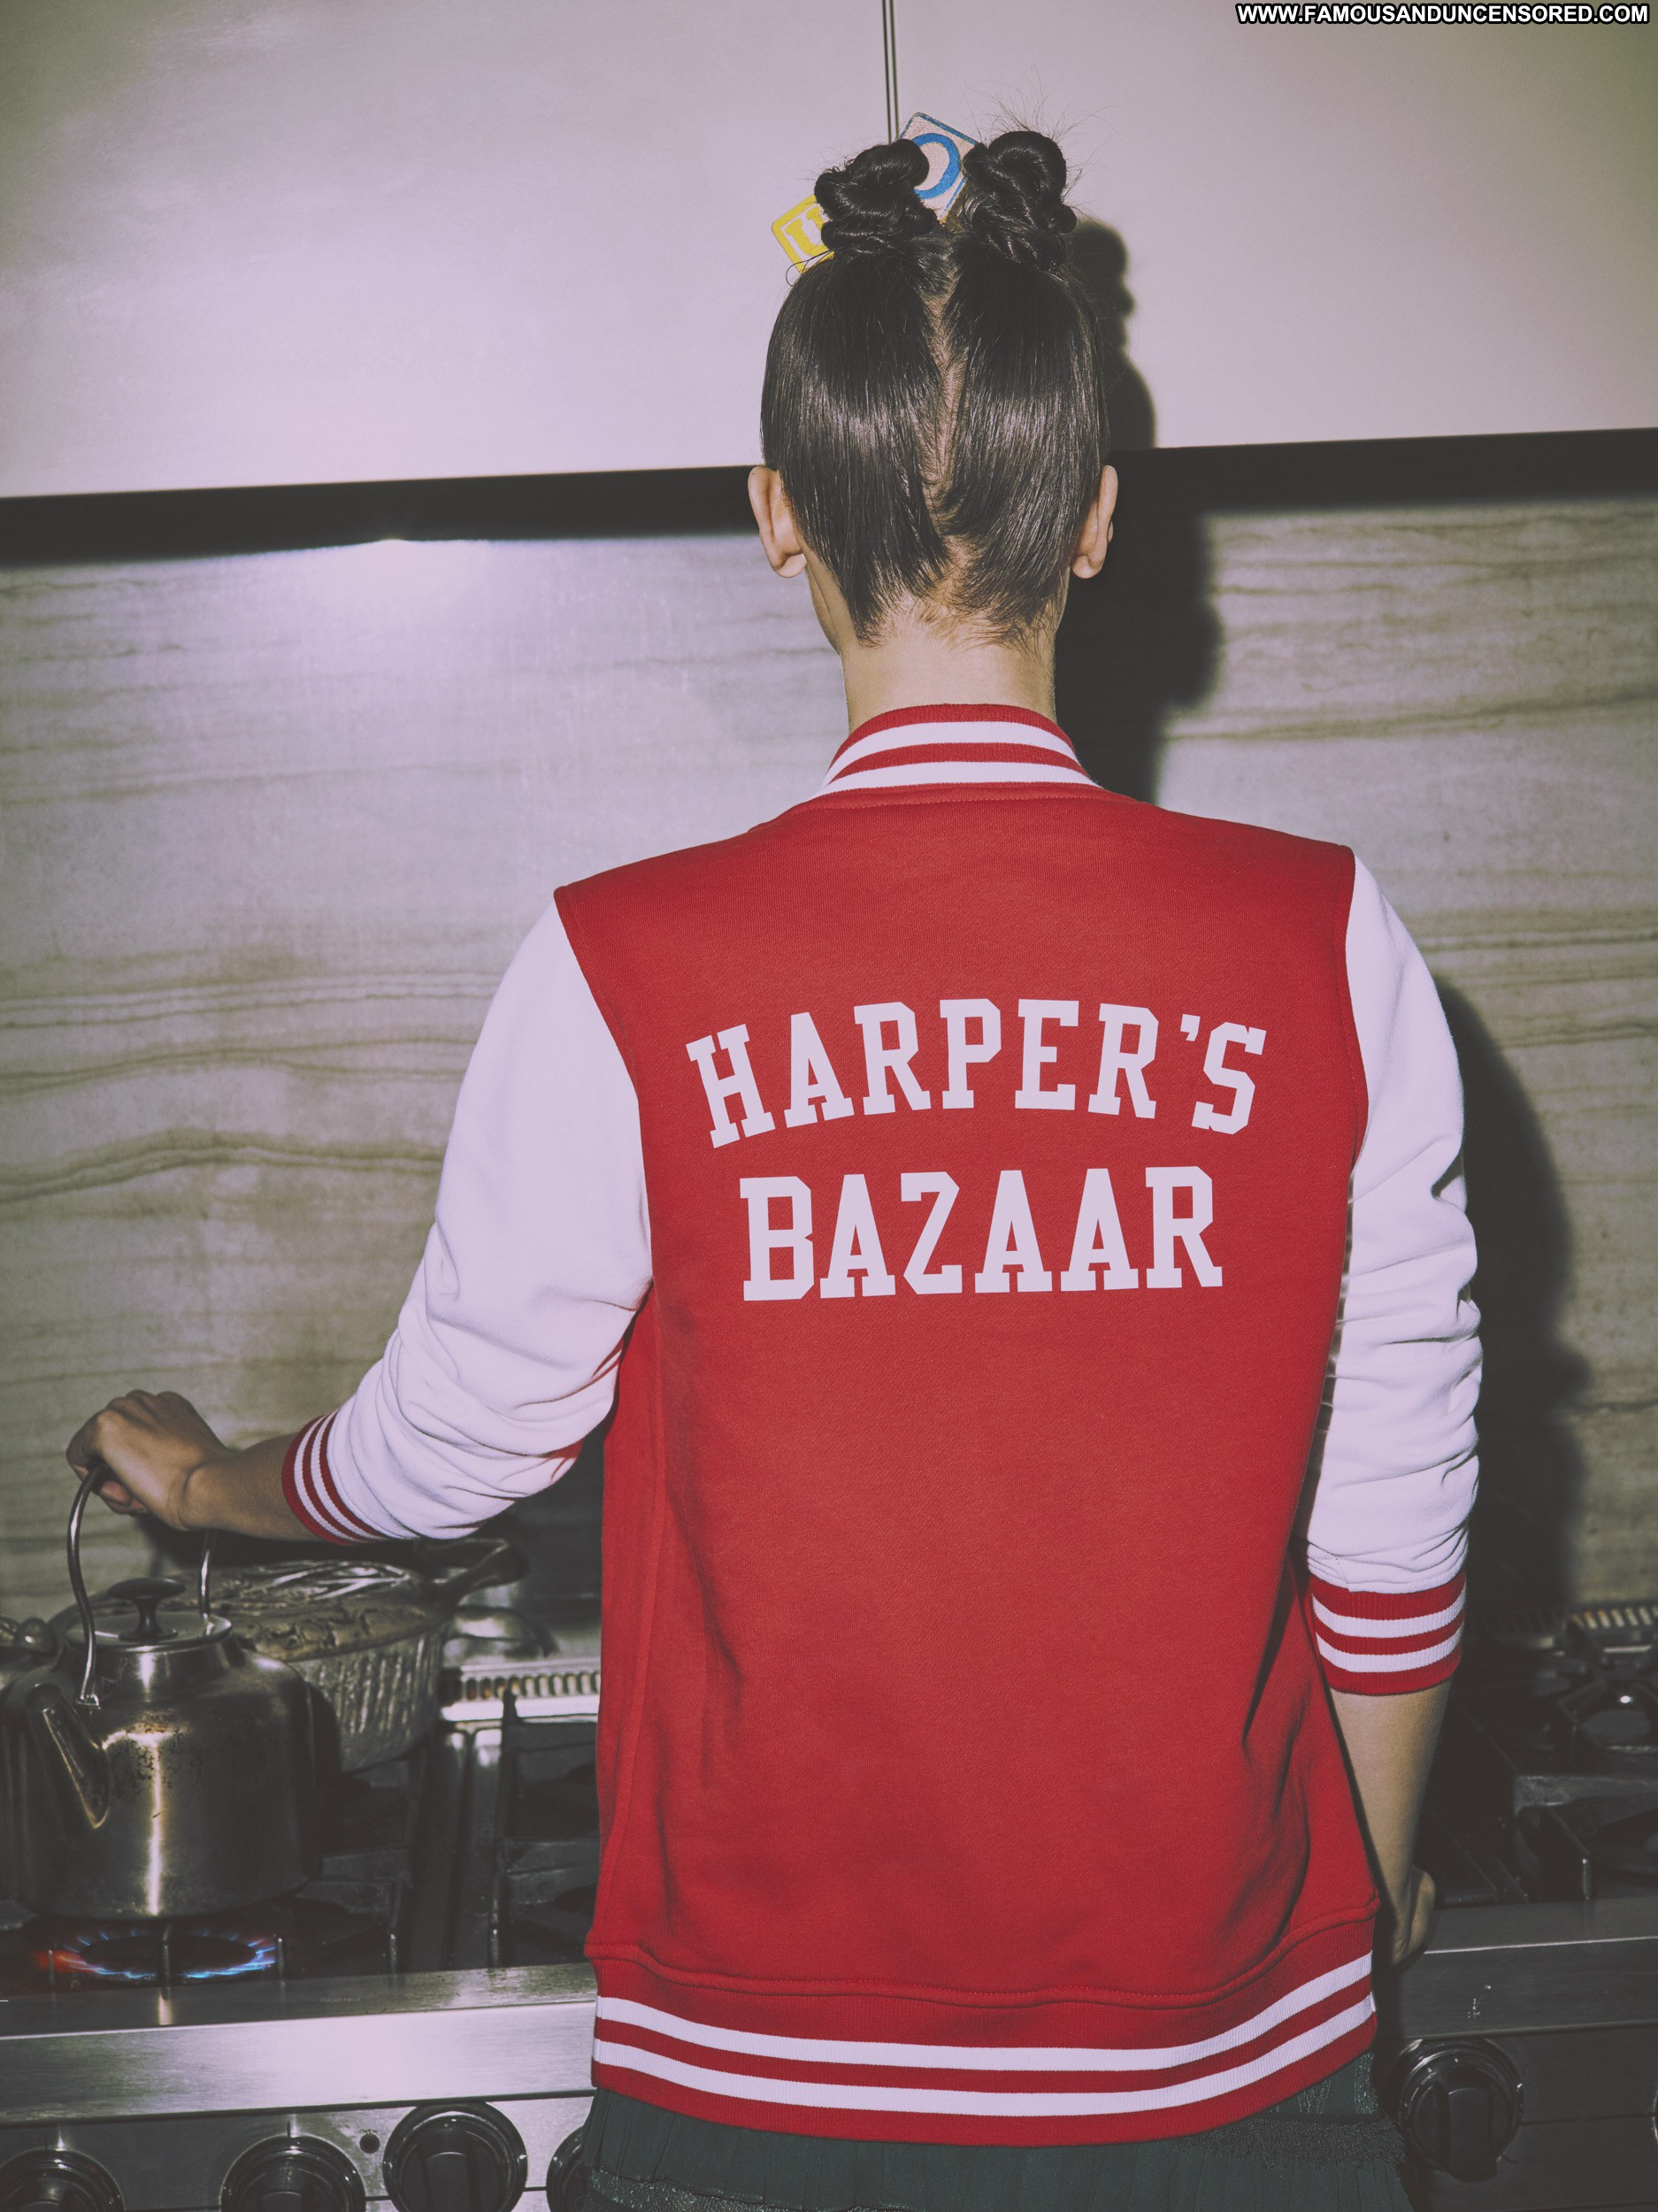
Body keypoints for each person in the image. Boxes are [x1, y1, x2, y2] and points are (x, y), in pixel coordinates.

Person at [70, 131, 1478, 2211]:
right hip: (1228, 2068)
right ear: (1097, 513)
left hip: (767, 2085)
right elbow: (1395, 1505)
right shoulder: (1326, 935)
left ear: (773, 515)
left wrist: (206, 1486)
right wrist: (1366, 1888)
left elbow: (451, 1442)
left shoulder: (617, 961)